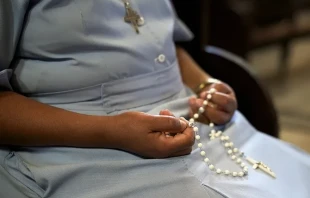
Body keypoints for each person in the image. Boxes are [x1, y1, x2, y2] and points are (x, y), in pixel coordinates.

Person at [0, 0, 309, 197]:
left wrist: (205, 83)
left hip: (207, 128)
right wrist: (110, 131)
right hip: (87, 146)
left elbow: (160, 41)